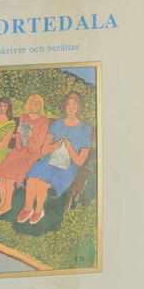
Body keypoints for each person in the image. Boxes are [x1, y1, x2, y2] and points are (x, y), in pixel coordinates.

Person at [18, 91, 92, 225]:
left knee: (42, 185)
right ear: (65, 106)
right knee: (32, 180)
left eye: (74, 105)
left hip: (67, 166)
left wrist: (69, 146)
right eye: (68, 104)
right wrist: (57, 144)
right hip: (49, 161)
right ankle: (27, 209)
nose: (71, 108)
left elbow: (80, 161)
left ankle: (39, 211)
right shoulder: (58, 125)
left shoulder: (84, 129)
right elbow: (44, 150)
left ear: (79, 107)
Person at [0, 94, 50, 216]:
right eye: (31, 104)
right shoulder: (24, 117)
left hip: (31, 154)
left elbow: (35, 148)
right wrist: (18, 134)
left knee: (10, 176)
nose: (33, 107)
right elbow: (18, 146)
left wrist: (31, 137)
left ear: (40, 106)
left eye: (36, 105)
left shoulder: (44, 121)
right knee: (3, 174)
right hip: (18, 151)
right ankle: (2, 202)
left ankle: (8, 204)